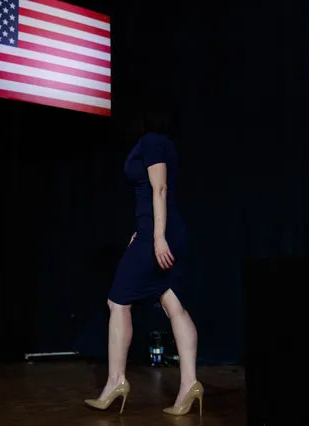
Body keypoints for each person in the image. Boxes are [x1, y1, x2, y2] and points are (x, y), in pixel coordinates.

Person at [84, 102, 203, 416]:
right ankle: (190, 383)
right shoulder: (164, 143)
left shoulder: (151, 141)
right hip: (157, 230)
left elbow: (159, 188)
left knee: (117, 301)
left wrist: (157, 236)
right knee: (172, 303)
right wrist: (145, 232)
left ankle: (115, 381)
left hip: (159, 233)